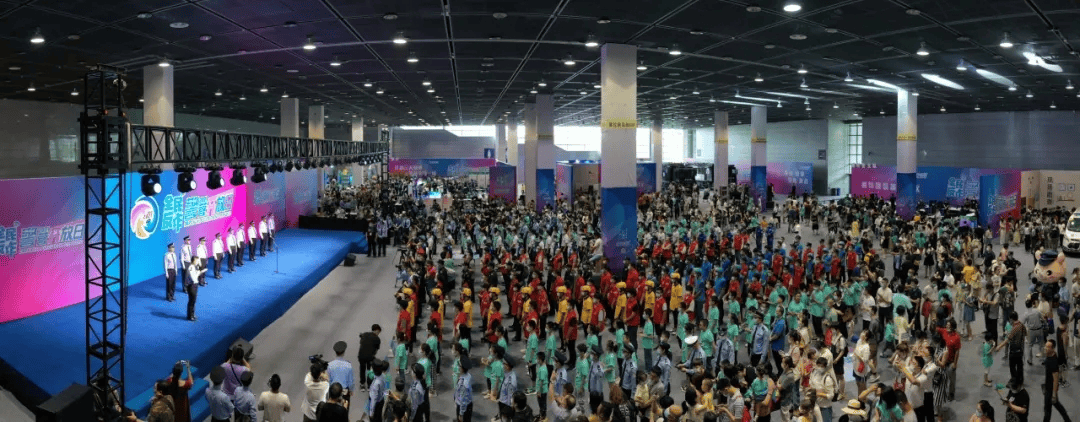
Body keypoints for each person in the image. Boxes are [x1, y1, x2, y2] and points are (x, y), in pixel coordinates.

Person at [1042, 339, 1072, 422]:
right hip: (1048, 387)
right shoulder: (1050, 355)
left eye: (1048, 347)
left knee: (1048, 409)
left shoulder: (1053, 361)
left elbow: (1055, 379)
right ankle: (1067, 420)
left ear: (1052, 349)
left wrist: (1054, 394)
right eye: (1045, 346)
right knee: (1053, 407)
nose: (1045, 348)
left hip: (1050, 389)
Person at [326, 341, 354, 409]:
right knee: (344, 409)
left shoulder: (330, 365)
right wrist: (351, 391)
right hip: (344, 392)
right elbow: (350, 382)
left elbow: (328, 380)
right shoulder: (348, 365)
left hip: (333, 391)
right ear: (344, 352)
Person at [359, 325, 383, 389]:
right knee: (369, 370)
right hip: (370, 356)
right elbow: (376, 349)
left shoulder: (365, 334)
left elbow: (361, 340)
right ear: (376, 330)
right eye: (379, 332)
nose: (378, 334)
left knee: (362, 369)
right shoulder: (377, 339)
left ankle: (362, 384)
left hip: (361, 355)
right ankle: (369, 384)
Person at [454, 356, 473, 422]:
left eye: (459, 366)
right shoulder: (468, 375)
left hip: (463, 407)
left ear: (462, 369)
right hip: (467, 404)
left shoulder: (463, 384)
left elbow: (463, 399)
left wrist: (461, 414)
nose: (458, 367)